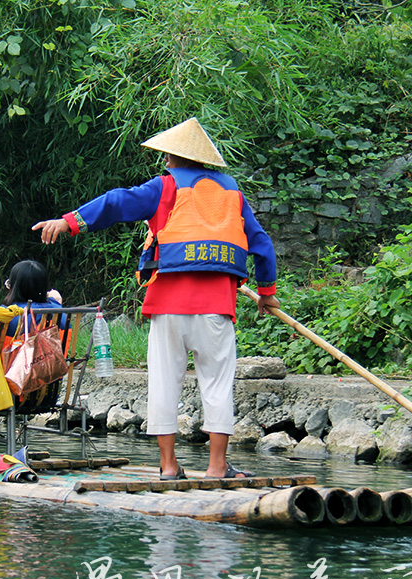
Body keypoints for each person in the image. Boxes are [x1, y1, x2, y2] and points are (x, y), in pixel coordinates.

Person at [32, 118, 280, 479]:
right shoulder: (233, 194)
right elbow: (262, 246)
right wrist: (266, 294)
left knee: (164, 382)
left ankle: (168, 467)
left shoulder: (165, 187)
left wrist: (71, 221)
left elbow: (118, 202)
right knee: (217, 384)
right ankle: (216, 467)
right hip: (216, 308)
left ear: (171, 158)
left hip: (167, 307)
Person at [1, 259, 63, 339]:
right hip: (55, 351)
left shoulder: (4, 314)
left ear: (14, 287)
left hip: (15, 351)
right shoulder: (58, 310)